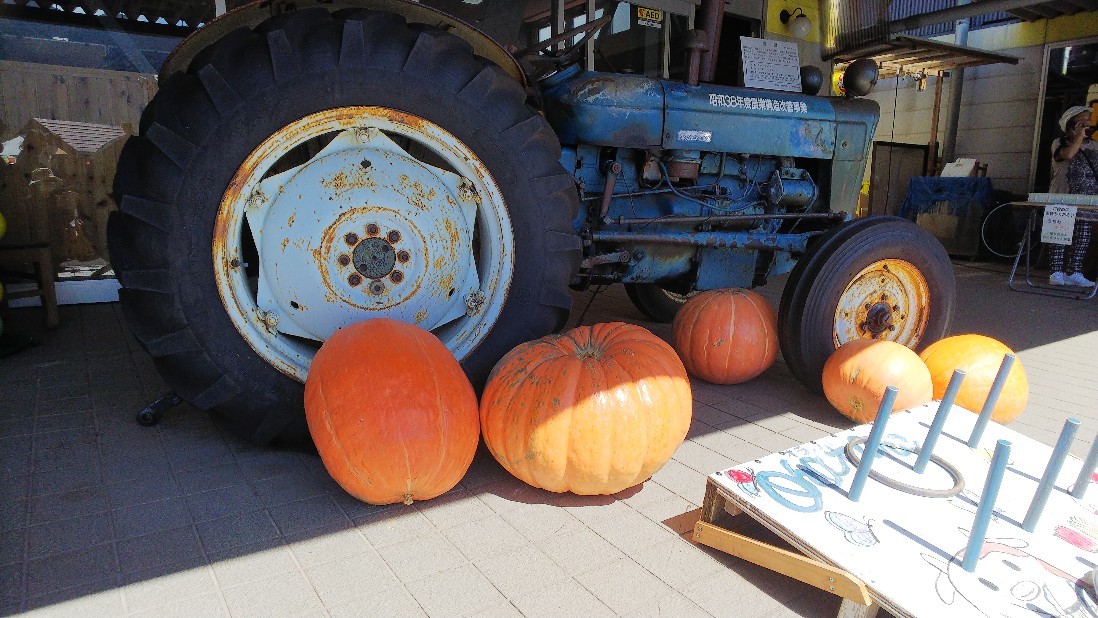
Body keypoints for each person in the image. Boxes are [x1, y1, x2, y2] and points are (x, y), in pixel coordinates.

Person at [1048, 105, 1097, 287]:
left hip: (1087, 197)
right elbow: (1068, 154)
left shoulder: (1093, 145)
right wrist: (1078, 137)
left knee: (1082, 236)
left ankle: (1074, 271)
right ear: (1072, 123)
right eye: (1084, 118)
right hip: (1063, 193)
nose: (1088, 122)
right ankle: (1056, 272)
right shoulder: (1059, 143)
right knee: (1059, 234)